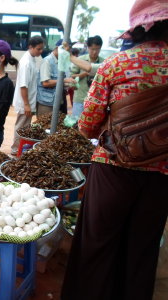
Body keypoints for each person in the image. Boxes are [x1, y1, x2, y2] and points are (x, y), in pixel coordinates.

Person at [61, 0, 168, 299]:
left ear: (139, 29)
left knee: (97, 248)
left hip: (113, 171)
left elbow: (87, 126)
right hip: (160, 177)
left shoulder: (117, 64)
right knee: (141, 252)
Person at [10, 36, 44, 156]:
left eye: (42, 49)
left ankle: (21, 149)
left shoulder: (32, 59)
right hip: (25, 102)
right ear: (30, 47)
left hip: (28, 101)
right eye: (38, 49)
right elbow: (23, 86)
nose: (41, 52)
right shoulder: (25, 62)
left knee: (25, 127)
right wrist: (26, 105)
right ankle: (15, 150)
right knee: (21, 127)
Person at [36, 39, 76, 117]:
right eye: (66, 49)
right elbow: (45, 83)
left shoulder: (62, 62)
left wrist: (71, 84)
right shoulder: (47, 61)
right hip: (46, 104)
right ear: (58, 48)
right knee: (44, 128)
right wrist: (64, 80)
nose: (68, 52)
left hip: (59, 102)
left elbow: (63, 82)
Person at [70, 35, 104, 118]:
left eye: (97, 49)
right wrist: (83, 75)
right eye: (92, 49)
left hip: (96, 101)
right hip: (80, 99)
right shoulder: (80, 60)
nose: (95, 52)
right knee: (76, 125)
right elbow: (71, 77)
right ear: (88, 48)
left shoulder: (103, 62)